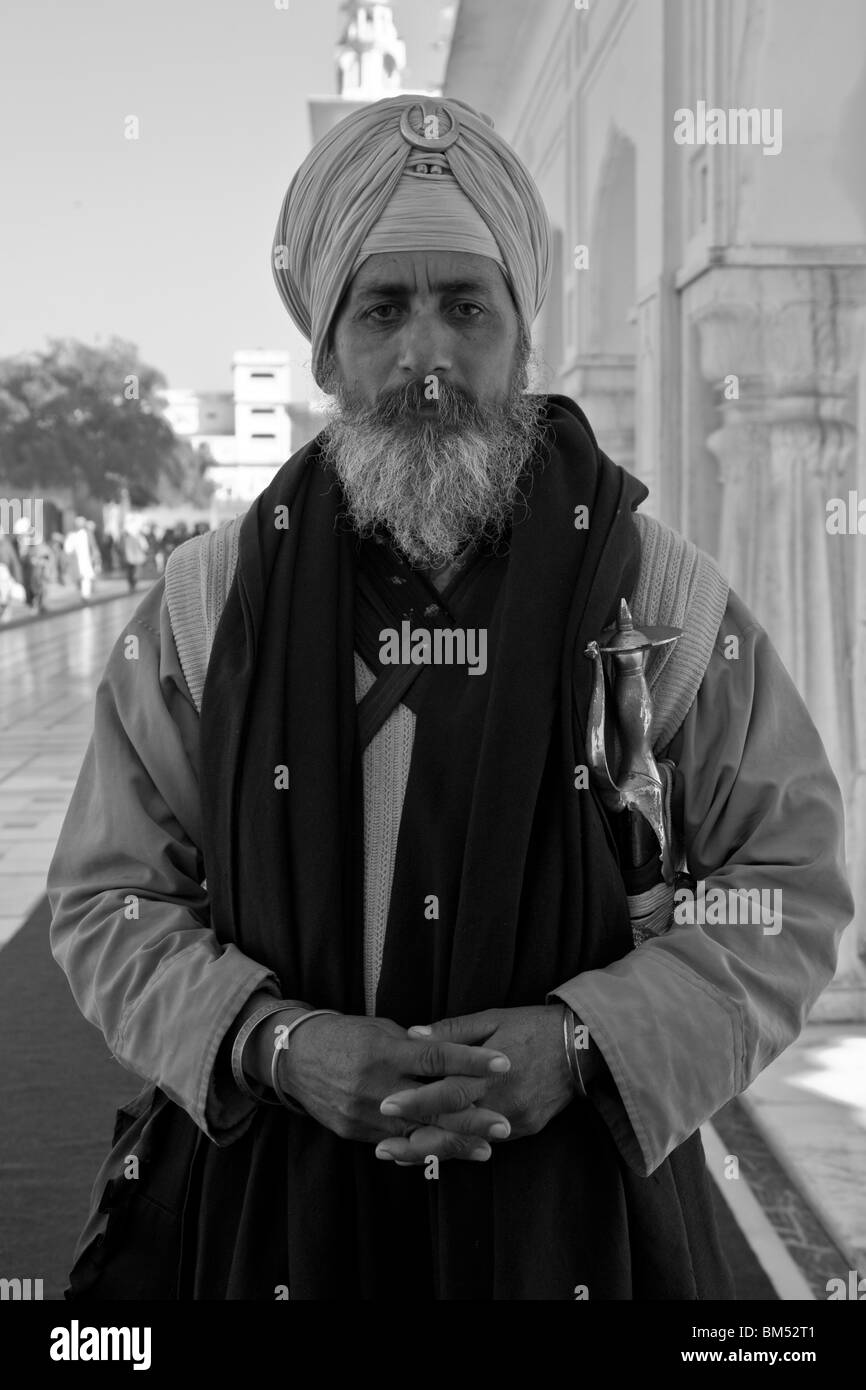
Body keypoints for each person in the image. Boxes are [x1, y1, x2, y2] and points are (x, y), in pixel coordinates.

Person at [47, 94, 853, 1302]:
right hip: (280, 1213)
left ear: (522, 339)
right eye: (383, 309)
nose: (427, 358)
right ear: (324, 350)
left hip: (572, 1221)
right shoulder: (206, 606)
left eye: (464, 307)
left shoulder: (655, 594)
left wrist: (585, 1042)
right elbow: (109, 901)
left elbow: (782, 881)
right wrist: (276, 1043)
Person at [63, 517, 96, 602]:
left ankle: (86, 595)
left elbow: (92, 546)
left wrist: (95, 557)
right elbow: (68, 549)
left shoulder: (87, 534)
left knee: (86, 577)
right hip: (77, 560)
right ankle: (84, 594)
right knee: (81, 578)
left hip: (86, 559)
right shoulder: (72, 535)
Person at [119, 526, 147, 593]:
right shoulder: (136, 538)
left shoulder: (128, 539)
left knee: (131, 572)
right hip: (134, 558)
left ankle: (132, 585)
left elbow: (123, 549)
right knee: (134, 572)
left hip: (130, 558)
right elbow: (144, 547)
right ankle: (133, 585)